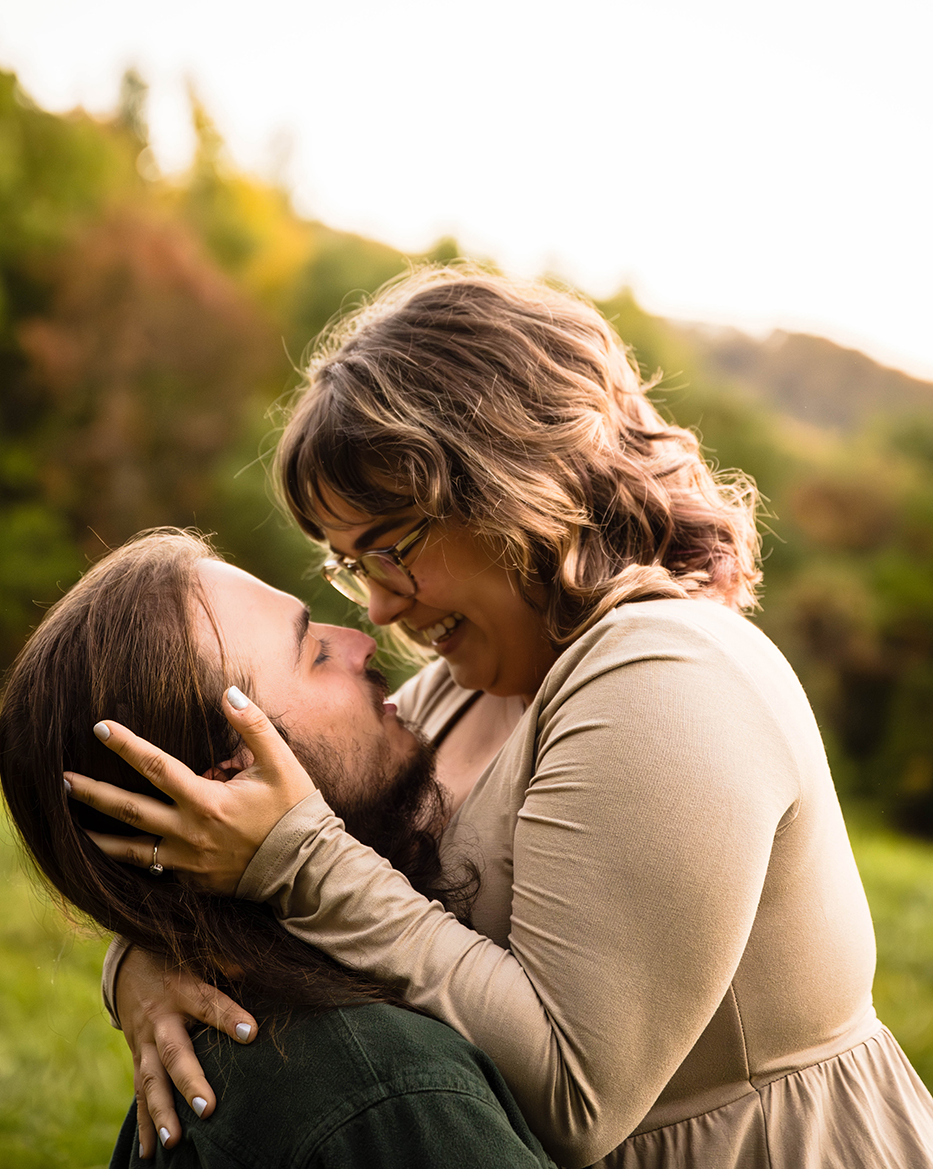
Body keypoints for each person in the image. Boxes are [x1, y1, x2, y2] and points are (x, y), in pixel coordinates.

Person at [74, 270, 933, 1167]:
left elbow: (574, 1096)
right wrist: (146, 960)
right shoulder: (465, 687)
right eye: (346, 564)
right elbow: (274, 840)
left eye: (391, 549)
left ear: (513, 487)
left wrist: (303, 865)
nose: (376, 609)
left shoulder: (665, 675)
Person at [0, 528, 556, 1169]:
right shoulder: (391, 1095)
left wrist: (148, 940)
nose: (364, 639)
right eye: (315, 652)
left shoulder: (218, 1036)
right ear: (222, 796)